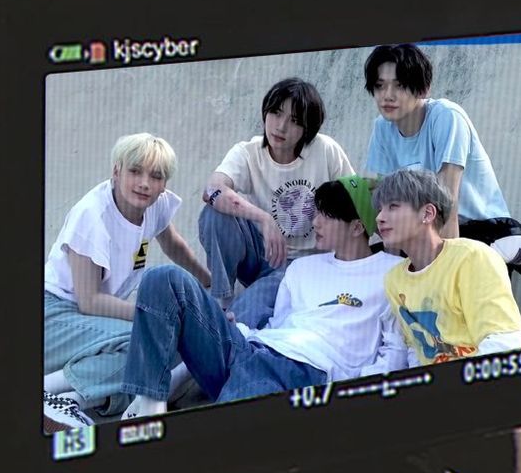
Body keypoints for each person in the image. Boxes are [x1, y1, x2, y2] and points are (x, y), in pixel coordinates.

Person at [120, 175, 406, 419]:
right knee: (163, 278)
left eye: (326, 215)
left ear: (357, 228)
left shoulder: (391, 274)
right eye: (317, 211)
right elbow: (280, 325)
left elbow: (394, 349)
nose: (315, 222)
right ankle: (151, 404)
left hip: (300, 371)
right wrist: (237, 329)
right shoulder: (301, 268)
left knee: (224, 436)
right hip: (250, 349)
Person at [42, 132, 210, 432]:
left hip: (90, 319)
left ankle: (78, 398)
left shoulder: (153, 204)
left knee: (166, 348)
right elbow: (89, 300)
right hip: (54, 315)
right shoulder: (91, 217)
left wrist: (207, 286)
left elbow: (173, 245)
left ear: (164, 184)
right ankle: (52, 393)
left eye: (156, 176)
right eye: (135, 171)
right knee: (144, 343)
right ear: (116, 170)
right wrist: (159, 319)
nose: (144, 183)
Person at [363, 43, 521, 276]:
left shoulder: (446, 116)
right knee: (369, 261)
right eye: (379, 86)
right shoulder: (382, 128)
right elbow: (380, 196)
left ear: (423, 89)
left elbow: (448, 203)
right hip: (424, 230)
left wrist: (443, 276)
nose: (387, 95)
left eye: (400, 85)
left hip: (479, 229)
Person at [199, 77, 354, 328]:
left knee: (245, 316)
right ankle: (222, 297)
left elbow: (357, 205)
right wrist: (264, 218)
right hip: (259, 254)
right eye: (276, 113)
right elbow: (212, 189)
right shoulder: (247, 152)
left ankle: (226, 329)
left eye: (294, 121)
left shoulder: (325, 151)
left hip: (302, 264)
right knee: (214, 214)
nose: (280, 127)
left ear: (307, 129)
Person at [373, 169, 521, 366]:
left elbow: (504, 342)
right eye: (379, 209)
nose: (379, 217)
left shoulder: (472, 258)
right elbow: (415, 351)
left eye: (393, 206)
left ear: (427, 213)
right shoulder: (393, 280)